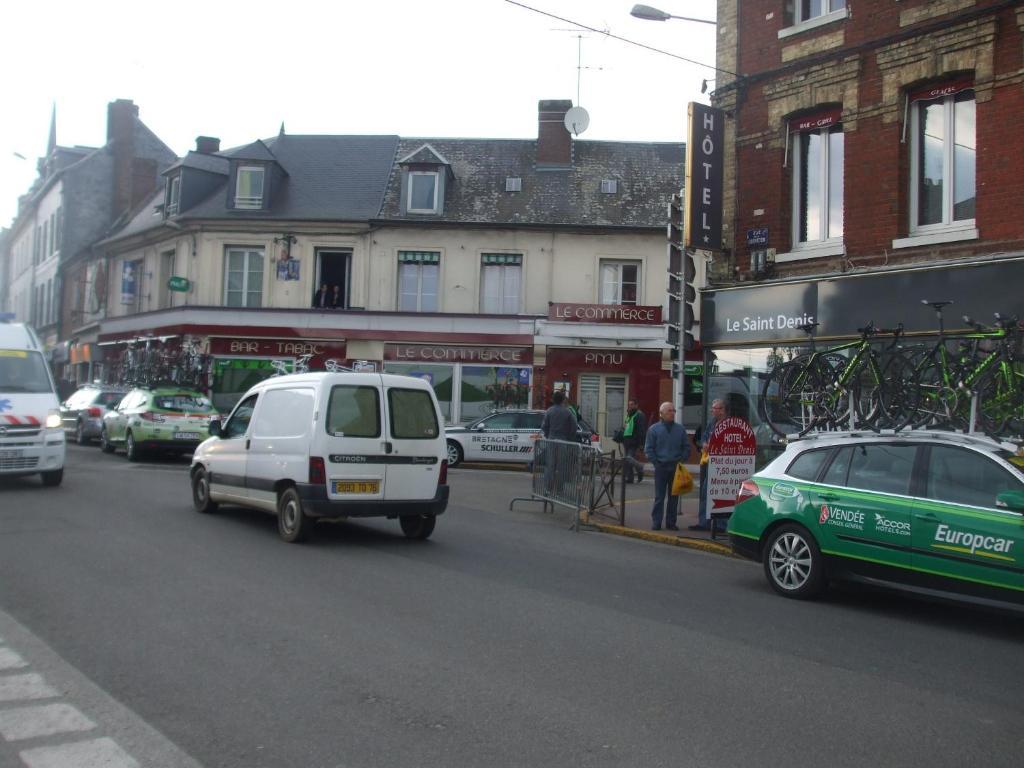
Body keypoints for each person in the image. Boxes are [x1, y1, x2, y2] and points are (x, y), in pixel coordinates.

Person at [643, 402, 691, 531]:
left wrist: (682, 459)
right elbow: (648, 449)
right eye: (669, 411)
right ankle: (656, 522)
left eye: (673, 410)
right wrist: (656, 463)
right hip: (661, 466)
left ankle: (671, 522)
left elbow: (686, 447)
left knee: (674, 496)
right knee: (659, 497)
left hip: (675, 467)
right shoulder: (654, 429)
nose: (672, 413)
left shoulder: (680, 429)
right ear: (662, 413)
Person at [692, 398, 727, 531]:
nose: (712, 410)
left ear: (722, 410)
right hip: (709, 461)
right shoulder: (712, 423)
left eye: (715, 408)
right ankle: (704, 523)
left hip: (722, 465)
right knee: (705, 492)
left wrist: (714, 445)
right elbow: (703, 437)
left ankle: (721, 524)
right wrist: (704, 444)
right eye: (712, 408)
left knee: (721, 494)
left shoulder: (728, 424)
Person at [541, 390, 579, 494]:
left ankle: (548, 488)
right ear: (562, 400)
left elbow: (544, 426)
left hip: (552, 440)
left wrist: (548, 435)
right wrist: (569, 436)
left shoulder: (549, 411)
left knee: (550, 465)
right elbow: (574, 426)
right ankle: (559, 489)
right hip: (563, 441)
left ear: (553, 400)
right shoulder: (567, 412)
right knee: (561, 466)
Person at [621, 398, 647, 484]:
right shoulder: (629, 415)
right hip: (626, 441)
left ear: (636, 405)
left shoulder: (639, 415)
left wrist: (641, 444)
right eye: (629, 405)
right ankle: (630, 478)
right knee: (628, 460)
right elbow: (626, 427)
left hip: (634, 441)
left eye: (632, 404)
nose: (630, 406)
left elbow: (641, 431)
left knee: (629, 459)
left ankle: (640, 468)